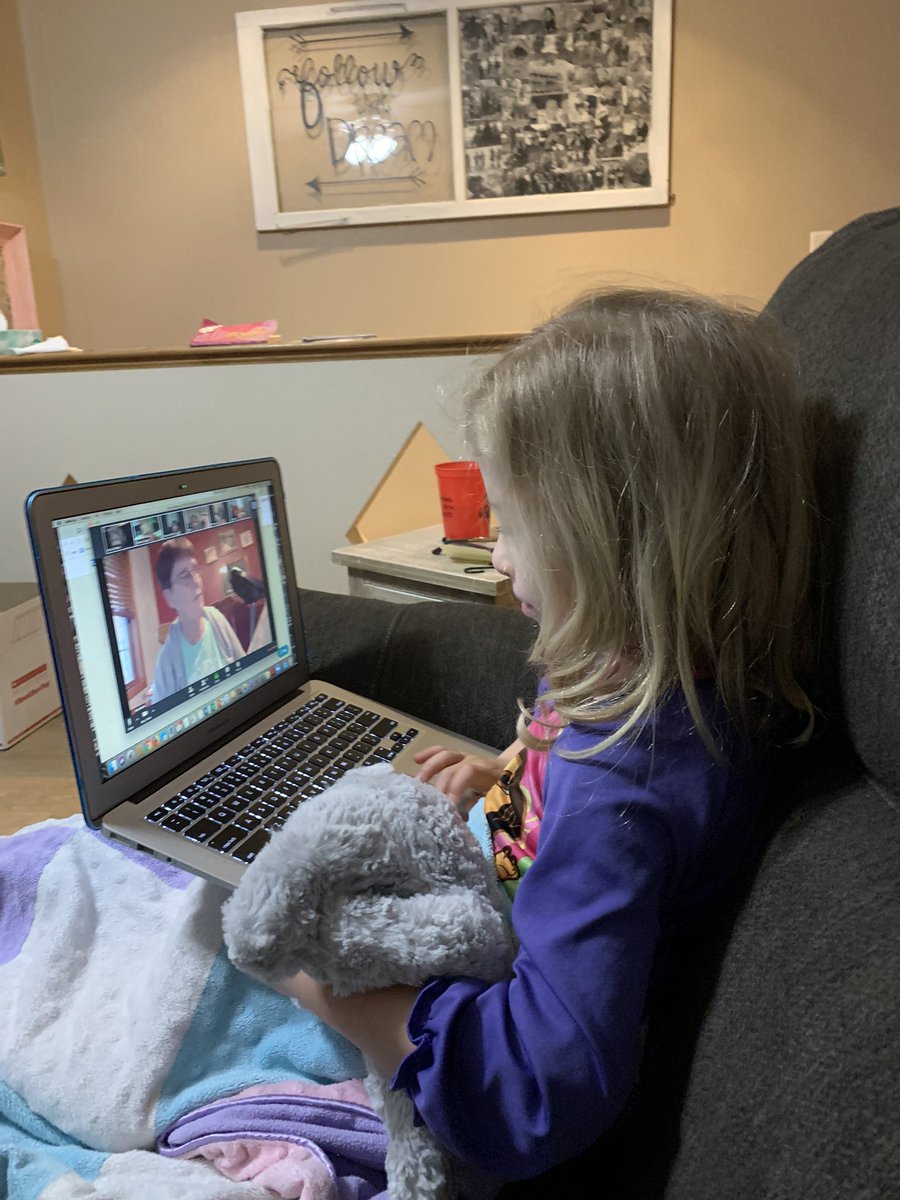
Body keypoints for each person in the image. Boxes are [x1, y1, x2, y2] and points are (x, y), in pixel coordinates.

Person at [279, 289, 816, 1182]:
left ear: (610, 543)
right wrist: (497, 785)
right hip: (476, 892)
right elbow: (552, 814)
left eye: (513, 524)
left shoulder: (624, 785)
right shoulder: (631, 674)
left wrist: (331, 991)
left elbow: (539, 1087)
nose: (496, 556)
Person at [151, 538, 245, 704]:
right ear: (169, 597)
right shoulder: (166, 663)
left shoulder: (216, 619)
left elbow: (246, 672)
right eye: (184, 576)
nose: (195, 581)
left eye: (195, 570)